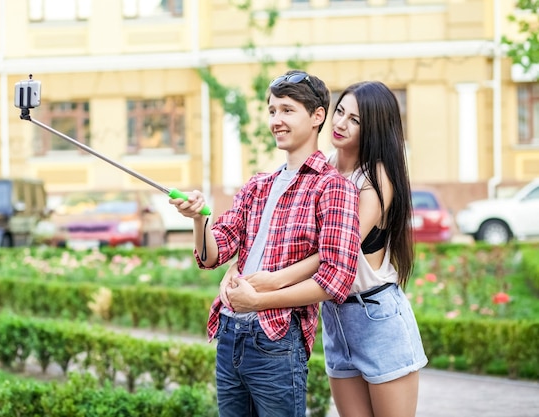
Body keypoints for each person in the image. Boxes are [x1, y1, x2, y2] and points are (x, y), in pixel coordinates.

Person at [224, 81, 428, 417]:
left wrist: (272, 282)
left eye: (355, 120)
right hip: (335, 318)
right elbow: (281, 234)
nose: (340, 123)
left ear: (374, 128)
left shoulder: (375, 178)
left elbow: (337, 251)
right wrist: (239, 267)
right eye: (340, 112)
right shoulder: (322, 167)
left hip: (376, 317)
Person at [168, 70, 361, 417]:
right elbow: (213, 254)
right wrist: (199, 218)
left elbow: (336, 279)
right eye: (272, 111)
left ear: (317, 116)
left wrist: (259, 301)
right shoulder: (257, 185)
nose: (276, 120)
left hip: (276, 339)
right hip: (228, 332)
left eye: (287, 110)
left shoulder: (333, 187)